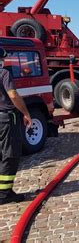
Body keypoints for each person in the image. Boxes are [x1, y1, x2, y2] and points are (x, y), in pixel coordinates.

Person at [0, 47, 32, 205]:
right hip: (5, 119)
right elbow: (13, 95)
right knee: (10, 155)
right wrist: (26, 113)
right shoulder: (4, 73)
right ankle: (5, 194)